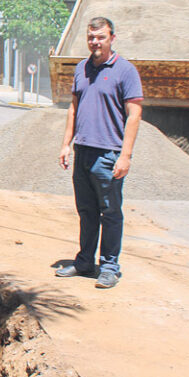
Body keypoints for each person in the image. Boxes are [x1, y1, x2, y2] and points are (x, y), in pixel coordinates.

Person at [56, 17, 143, 289]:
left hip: (108, 154)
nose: (95, 42)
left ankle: (109, 267)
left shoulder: (125, 70)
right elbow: (73, 108)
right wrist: (66, 144)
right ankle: (84, 262)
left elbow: (135, 114)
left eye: (101, 37)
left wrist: (125, 155)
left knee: (110, 213)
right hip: (82, 151)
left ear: (112, 38)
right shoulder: (81, 68)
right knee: (87, 211)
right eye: (91, 37)